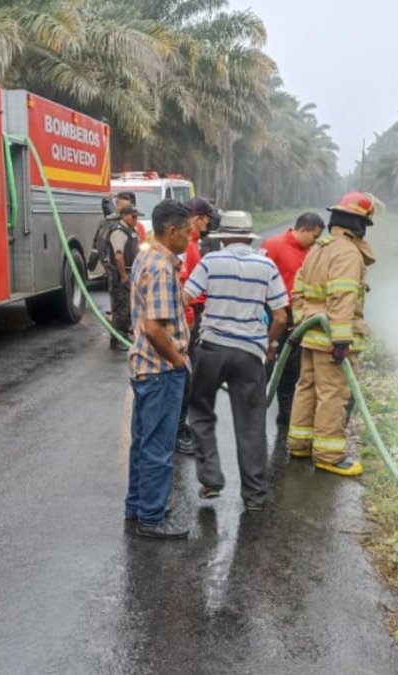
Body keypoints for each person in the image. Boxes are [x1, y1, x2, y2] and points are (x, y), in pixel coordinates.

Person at [183, 211, 288, 511]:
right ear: (249, 236)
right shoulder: (266, 265)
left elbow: (186, 297)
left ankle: (211, 480)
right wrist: (269, 343)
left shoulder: (210, 262)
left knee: (200, 411)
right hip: (249, 354)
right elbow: (281, 315)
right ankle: (254, 497)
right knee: (252, 424)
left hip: (212, 348)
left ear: (223, 237)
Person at [286, 193, 378, 477]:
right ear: (359, 224)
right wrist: (340, 340)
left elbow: (298, 289)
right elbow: (342, 297)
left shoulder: (319, 248)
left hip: (312, 333)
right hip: (332, 340)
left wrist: (303, 320)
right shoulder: (348, 253)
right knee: (333, 393)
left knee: (307, 387)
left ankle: (300, 443)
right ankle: (328, 454)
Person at [125, 199, 194, 539]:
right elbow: (155, 328)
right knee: (158, 447)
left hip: (144, 368)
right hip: (160, 371)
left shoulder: (147, 257)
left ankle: (138, 506)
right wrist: (178, 360)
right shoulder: (161, 267)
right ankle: (151, 519)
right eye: (188, 232)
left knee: (143, 442)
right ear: (171, 231)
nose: (191, 238)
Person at [261, 212, 326, 425]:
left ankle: (286, 414)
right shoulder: (273, 246)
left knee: (291, 369)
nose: (315, 241)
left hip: (297, 319)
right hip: (272, 315)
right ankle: (254, 411)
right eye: (314, 236)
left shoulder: (313, 253)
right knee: (266, 363)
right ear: (304, 229)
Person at [174, 196, 220, 454]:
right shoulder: (187, 246)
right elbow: (183, 290)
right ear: (196, 218)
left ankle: (180, 426)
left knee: (188, 374)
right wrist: (190, 319)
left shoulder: (192, 244)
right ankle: (178, 431)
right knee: (185, 375)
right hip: (188, 316)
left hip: (194, 314)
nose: (208, 224)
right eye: (206, 219)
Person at [106, 205, 143, 352]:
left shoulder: (131, 231)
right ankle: (116, 340)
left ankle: (123, 335)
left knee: (128, 307)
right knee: (121, 308)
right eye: (134, 217)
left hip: (131, 273)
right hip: (121, 276)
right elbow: (118, 256)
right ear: (125, 216)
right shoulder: (118, 232)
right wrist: (123, 277)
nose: (136, 220)